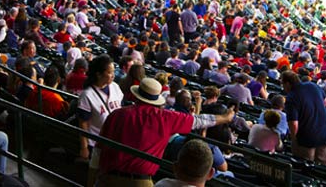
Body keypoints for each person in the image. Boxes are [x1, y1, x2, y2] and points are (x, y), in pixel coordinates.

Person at [96, 77, 235, 187]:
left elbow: (98, 149)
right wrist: (225, 117)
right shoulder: (165, 117)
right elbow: (199, 121)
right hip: (139, 182)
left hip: (107, 177)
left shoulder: (116, 114)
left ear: (137, 95)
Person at [78, 54, 123, 186]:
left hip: (114, 140)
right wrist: (84, 147)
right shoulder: (87, 95)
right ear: (98, 74)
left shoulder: (115, 87)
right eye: (109, 72)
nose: (113, 75)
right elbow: (83, 123)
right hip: (96, 143)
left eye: (113, 72)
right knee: (97, 176)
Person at [282, 70, 326, 164]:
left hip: (306, 139)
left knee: (305, 169)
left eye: (283, 84)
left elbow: (294, 124)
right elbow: (325, 102)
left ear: (288, 83)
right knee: (322, 170)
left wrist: (294, 139)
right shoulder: (312, 85)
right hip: (325, 133)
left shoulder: (291, 97)